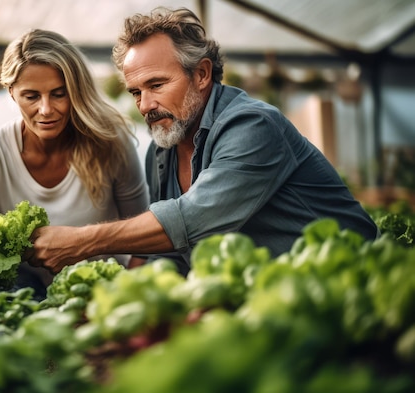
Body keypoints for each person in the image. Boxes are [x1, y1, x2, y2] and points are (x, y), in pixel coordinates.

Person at [27, 7, 379, 276]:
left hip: (347, 279)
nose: (145, 105)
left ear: (201, 74)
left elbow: (193, 218)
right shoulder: (161, 151)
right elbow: (168, 257)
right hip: (268, 292)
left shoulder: (253, 125)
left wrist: (81, 242)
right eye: (136, 91)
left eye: (156, 85)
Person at [0, 29, 149, 295]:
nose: (46, 109)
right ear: (12, 92)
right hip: (20, 302)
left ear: (76, 91)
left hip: (99, 299)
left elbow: (141, 237)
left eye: (59, 94)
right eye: (32, 96)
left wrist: (124, 300)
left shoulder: (110, 142)